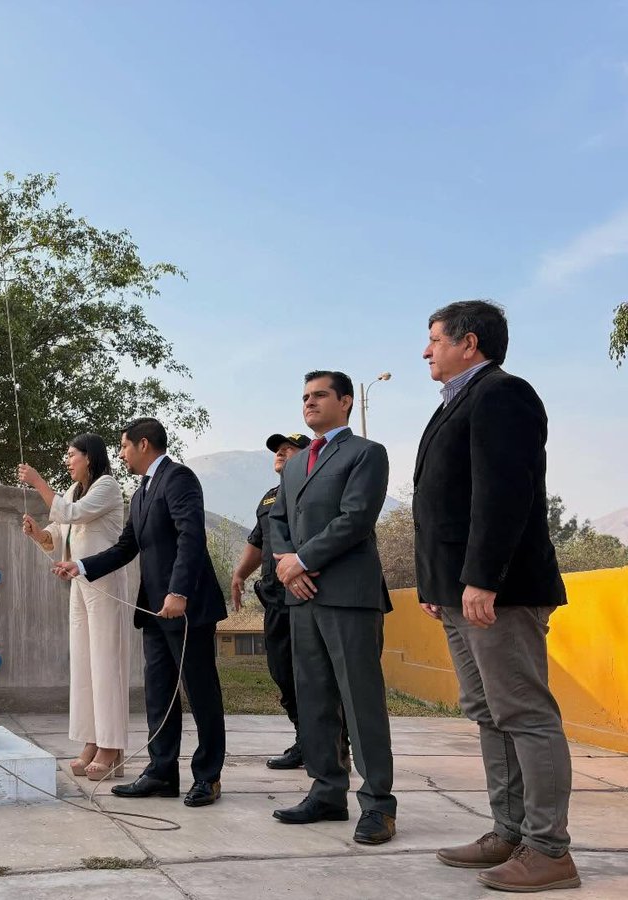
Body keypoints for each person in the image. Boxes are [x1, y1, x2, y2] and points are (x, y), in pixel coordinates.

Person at [415, 300, 579, 892]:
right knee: (489, 713)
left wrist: (483, 577)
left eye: (434, 338)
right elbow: (447, 505)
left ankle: (550, 850)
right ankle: (509, 832)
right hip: (459, 593)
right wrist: (440, 586)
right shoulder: (459, 402)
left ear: (470, 342)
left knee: (526, 715)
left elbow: (504, 494)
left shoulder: (502, 394)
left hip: (498, 592)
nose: (426, 350)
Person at [52, 417, 227, 808]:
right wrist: (79, 566)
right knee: (159, 693)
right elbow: (126, 546)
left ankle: (208, 777)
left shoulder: (179, 479)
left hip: (186, 607)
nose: (121, 454)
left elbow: (191, 536)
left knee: (200, 694)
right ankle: (162, 773)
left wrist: (178, 591)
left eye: (125, 446)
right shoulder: (142, 492)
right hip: (153, 609)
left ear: (144, 444)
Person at [269, 371, 397, 845]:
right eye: (304, 397)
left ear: (345, 401)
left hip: (349, 596)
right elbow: (278, 519)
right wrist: (289, 565)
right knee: (315, 697)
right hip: (301, 597)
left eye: (319, 395)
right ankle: (326, 792)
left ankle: (379, 804)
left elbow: (356, 518)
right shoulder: (297, 462)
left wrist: (302, 560)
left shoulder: (367, 454)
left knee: (360, 701)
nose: (309, 403)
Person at [19, 434, 131, 780]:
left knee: (106, 664)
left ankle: (111, 747)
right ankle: (91, 740)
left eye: (71, 455)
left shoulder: (107, 486)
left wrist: (37, 481)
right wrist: (38, 533)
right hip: (78, 584)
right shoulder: (70, 492)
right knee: (83, 664)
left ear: (89, 457)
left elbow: (73, 515)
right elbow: (58, 532)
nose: (67, 461)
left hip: (106, 584)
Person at [231, 432, 311, 769]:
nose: (281, 452)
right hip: (275, 599)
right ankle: (304, 738)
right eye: (278, 449)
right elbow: (259, 540)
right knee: (282, 671)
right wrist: (239, 574)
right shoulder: (270, 497)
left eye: (289, 449)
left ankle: (332, 741)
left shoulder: (314, 490)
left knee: (312, 672)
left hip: (307, 596)